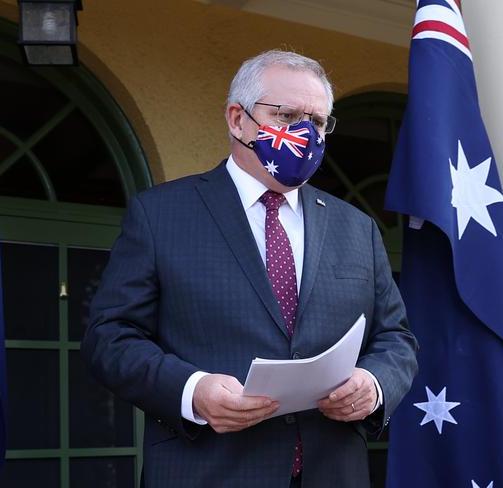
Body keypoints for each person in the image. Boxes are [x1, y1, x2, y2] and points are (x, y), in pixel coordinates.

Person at [82, 49, 418, 488]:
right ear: (237, 120)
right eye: (286, 114)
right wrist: (193, 391)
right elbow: (109, 338)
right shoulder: (160, 214)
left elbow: (396, 337)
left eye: (316, 122)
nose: (304, 132)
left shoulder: (356, 227)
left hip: (333, 472)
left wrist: (373, 385)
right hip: (207, 470)